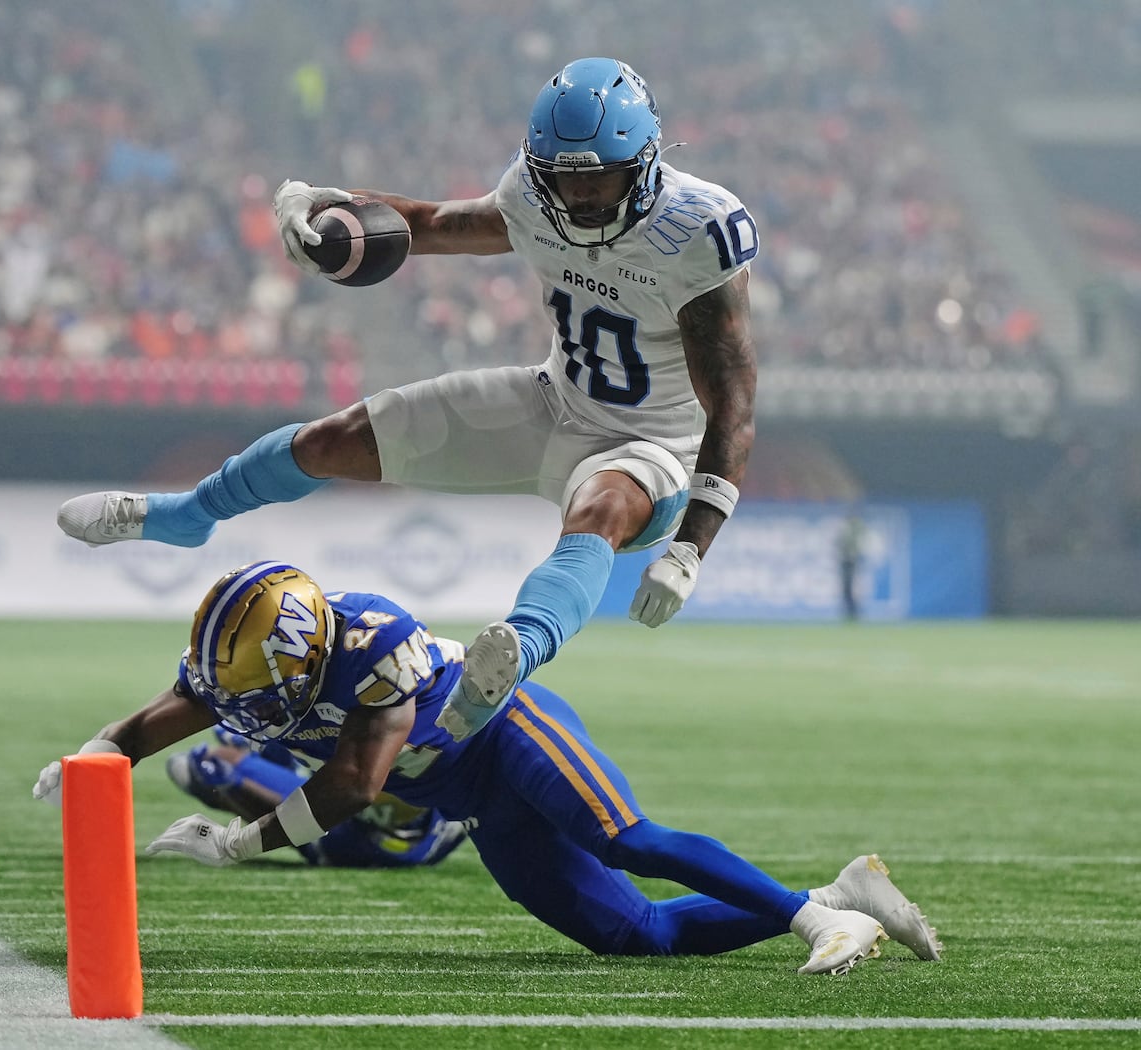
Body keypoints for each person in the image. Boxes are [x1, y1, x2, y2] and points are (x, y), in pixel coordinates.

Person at [58, 57, 758, 743]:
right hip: (555, 402)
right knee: (334, 439)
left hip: (654, 446)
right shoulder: (531, 198)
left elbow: (733, 406)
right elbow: (429, 225)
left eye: (599, 177)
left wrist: (692, 547)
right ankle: (188, 515)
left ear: (644, 160)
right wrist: (333, 206)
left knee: (600, 506)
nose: (579, 198)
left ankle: (509, 655)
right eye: (562, 178)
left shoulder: (697, 232)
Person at [33, 562, 943, 974]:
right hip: (469, 799)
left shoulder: (369, 642)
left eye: (257, 686)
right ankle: (840, 895)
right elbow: (151, 724)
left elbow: (353, 783)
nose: (237, 702)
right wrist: (90, 761)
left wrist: (238, 845)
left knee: (621, 837)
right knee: (636, 938)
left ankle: (811, 922)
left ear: (308, 657)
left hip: (507, 732)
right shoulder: (241, 663)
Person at [163, 727, 469, 868]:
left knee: (198, 767)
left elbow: (291, 821)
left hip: (324, 815)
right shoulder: (453, 810)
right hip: (345, 798)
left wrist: (231, 788)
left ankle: (227, 779)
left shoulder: (349, 841)